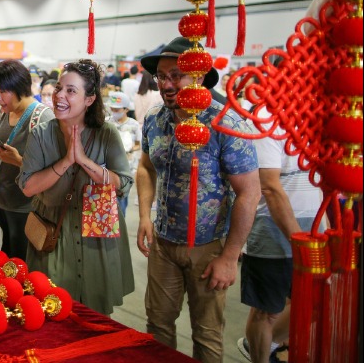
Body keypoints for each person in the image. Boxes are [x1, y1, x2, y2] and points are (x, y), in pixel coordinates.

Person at [136, 37, 260, 363]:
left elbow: (250, 192)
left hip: (209, 247)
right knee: (157, 327)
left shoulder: (226, 123)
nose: (166, 84)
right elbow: (146, 168)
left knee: (206, 335)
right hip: (163, 243)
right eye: (162, 76)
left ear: (199, 77)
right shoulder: (155, 118)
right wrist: (146, 217)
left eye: (176, 75)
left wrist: (230, 256)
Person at [19, 59, 135, 315]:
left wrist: (84, 161)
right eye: (59, 88)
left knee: (93, 315)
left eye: (71, 91)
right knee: (52, 308)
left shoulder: (107, 134)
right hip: (52, 232)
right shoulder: (41, 134)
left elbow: (122, 184)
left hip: (96, 235)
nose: (60, 95)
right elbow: (28, 187)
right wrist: (66, 162)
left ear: (89, 99)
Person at [236, 114, 322, 363]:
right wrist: (299, 238)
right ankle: (260, 352)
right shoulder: (264, 119)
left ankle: (267, 343)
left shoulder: (310, 120)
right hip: (273, 231)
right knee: (267, 310)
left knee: (313, 302)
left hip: (313, 228)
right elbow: (270, 187)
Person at [0, 60, 54, 259]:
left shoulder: (43, 118)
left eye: (3, 92)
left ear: (19, 88)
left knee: (19, 263)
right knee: (0, 257)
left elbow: (52, 171)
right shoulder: (2, 111)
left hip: (25, 207)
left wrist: (18, 160)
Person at [105, 91, 141, 214]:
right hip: (108, 167)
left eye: (117, 110)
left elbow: (138, 145)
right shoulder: (106, 123)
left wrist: (129, 149)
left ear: (126, 109)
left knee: (122, 200)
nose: (114, 112)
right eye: (112, 109)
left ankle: (121, 227)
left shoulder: (134, 125)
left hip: (127, 167)